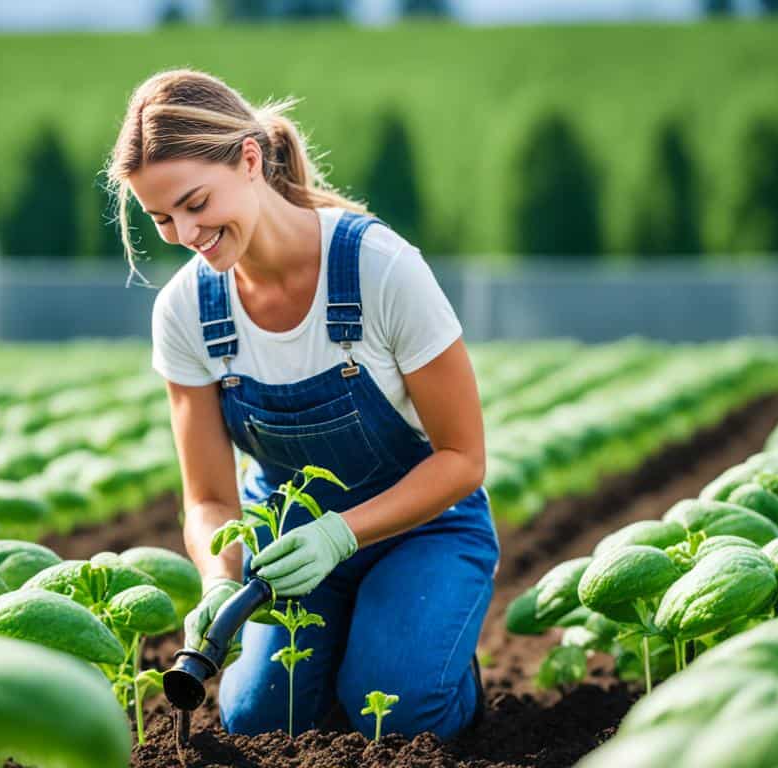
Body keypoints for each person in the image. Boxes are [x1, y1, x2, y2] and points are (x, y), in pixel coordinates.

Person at [103, 68, 499, 740]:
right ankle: (365, 649)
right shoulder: (187, 313)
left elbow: (463, 460)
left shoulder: (380, 270)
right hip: (288, 547)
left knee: (399, 713)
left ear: (249, 160)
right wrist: (219, 580)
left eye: (196, 202)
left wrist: (341, 532)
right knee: (260, 720)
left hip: (423, 530)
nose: (185, 232)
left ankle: (429, 663)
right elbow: (207, 499)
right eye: (161, 217)